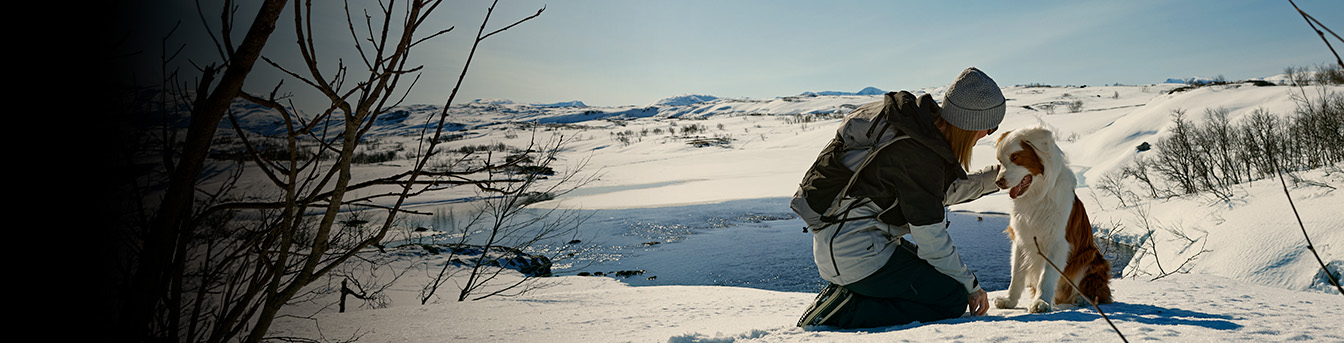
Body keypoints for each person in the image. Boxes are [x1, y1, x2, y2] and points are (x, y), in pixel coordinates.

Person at [792, 67, 1006, 328]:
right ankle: (846, 309)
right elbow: (931, 241)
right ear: (970, 123)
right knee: (950, 298)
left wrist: (999, 178)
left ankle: (852, 293)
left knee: (941, 277)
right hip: (857, 256)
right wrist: (971, 286)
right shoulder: (919, 155)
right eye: (990, 128)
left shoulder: (915, 129)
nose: (987, 134)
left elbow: (935, 195)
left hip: (847, 244)